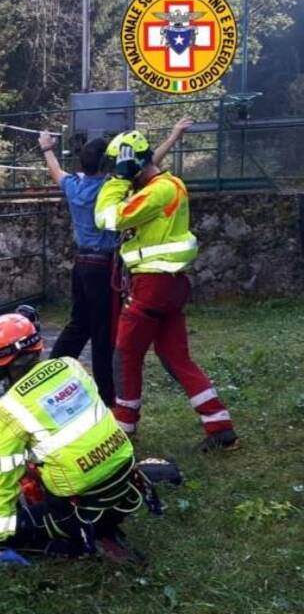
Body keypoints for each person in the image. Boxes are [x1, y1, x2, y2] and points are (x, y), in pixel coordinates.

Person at [94, 129, 239, 452]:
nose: (113, 173)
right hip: (170, 284)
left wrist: (118, 181)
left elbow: (107, 218)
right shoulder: (167, 185)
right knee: (175, 356)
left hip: (153, 285)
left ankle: (124, 427)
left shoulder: (156, 192)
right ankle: (220, 427)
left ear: (130, 164)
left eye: (117, 165)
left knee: (126, 353)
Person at [39, 118, 193, 406]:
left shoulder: (73, 185)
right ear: (108, 164)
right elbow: (145, 169)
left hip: (81, 265)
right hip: (104, 267)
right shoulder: (112, 188)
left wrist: (47, 148)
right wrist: (172, 137)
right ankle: (107, 395)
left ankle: (51, 375)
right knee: (103, 331)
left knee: (78, 324)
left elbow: (55, 171)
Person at [0, 311, 149, 560]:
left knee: (21, 525)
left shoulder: (7, 409)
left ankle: (73, 542)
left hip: (79, 501)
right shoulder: (70, 366)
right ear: (38, 346)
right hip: (124, 482)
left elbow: (6, 476)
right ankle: (100, 527)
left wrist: (2, 537)